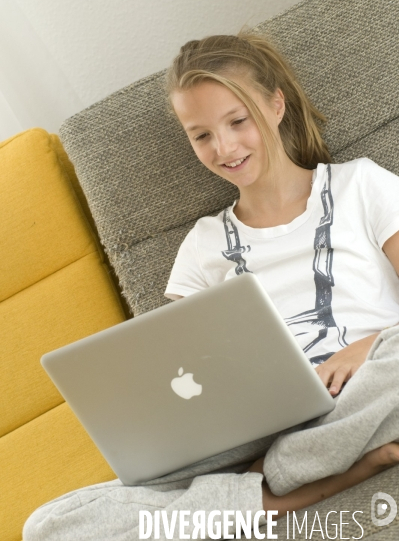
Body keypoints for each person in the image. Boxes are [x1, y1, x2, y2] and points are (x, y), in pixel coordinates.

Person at [23, 31, 399, 540]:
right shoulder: (202, 247)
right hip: (253, 434)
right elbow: (178, 378)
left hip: (365, 387)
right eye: (201, 135)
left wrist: (368, 344)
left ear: (275, 104)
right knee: (50, 525)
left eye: (237, 121)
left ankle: (260, 491)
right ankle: (293, 486)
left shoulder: (361, 185)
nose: (223, 148)